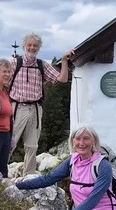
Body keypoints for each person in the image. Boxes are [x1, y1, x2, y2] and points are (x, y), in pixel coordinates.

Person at [9, 33, 74, 175]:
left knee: (32, 145)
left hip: (35, 108)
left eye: (35, 46)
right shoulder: (14, 63)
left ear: (39, 48)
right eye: (29, 45)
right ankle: (0, 173)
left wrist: (64, 60)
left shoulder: (41, 65)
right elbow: (2, 82)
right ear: (24, 46)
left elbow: (62, 79)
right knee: (10, 142)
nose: (32, 48)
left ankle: (29, 176)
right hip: (17, 107)